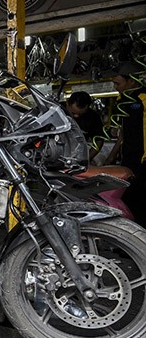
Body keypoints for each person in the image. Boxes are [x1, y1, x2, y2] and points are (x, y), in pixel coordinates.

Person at [105, 62, 146, 226]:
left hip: (142, 159)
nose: (115, 87)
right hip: (128, 158)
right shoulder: (122, 100)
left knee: (142, 200)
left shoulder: (143, 98)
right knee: (129, 198)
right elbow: (122, 132)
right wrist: (112, 155)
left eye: (118, 83)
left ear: (132, 82)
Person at [65, 91, 104, 161]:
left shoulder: (93, 117)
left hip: (78, 154)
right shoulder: (57, 113)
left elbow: (99, 141)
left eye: (80, 114)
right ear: (67, 104)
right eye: (73, 113)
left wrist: (86, 159)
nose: (76, 116)